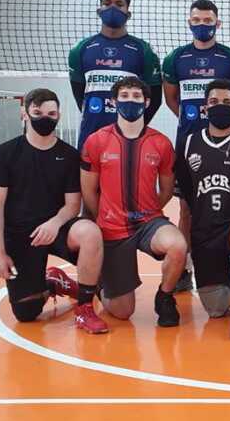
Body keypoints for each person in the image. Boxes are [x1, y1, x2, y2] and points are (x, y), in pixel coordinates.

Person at [0, 88, 108, 333]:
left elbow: (73, 204)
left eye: (51, 113)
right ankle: (52, 282)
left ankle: (84, 308)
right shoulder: (7, 153)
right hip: (21, 234)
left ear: (59, 115)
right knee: (26, 314)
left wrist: (54, 223)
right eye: (38, 112)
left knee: (90, 232)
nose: (45, 118)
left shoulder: (68, 155)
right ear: (25, 114)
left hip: (58, 226)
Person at [80, 76, 187, 326]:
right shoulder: (96, 141)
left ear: (147, 102)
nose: (131, 101)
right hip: (112, 227)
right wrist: (104, 219)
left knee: (178, 245)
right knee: (122, 311)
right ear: (114, 101)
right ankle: (101, 284)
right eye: (125, 96)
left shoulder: (160, 143)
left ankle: (165, 297)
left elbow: (167, 189)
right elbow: (89, 191)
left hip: (149, 222)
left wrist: (150, 209)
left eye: (137, 96)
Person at [163, 0, 230, 293]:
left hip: (225, 145)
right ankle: (184, 269)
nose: (203, 25)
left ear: (218, 23)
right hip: (190, 145)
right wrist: (197, 130)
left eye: (208, 20)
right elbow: (172, 99)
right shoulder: (176, 58)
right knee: (188, 209)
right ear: (189, 23)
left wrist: (222, 126)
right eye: (197, 21)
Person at [175, 79, 230, 339]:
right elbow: (185, 204)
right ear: (205, 108)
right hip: (205, 233)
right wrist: (186, 254)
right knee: (216, 309)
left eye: (227, 103)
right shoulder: (189, 143)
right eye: (214, 102)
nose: (220, 107)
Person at [68, 0, 162, 151]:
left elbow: (154, 99)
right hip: (91, 137)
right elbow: (79, 96)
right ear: (99, 11)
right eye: (107, 3)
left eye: (119, 4)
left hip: (129, 140)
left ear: (128, 13)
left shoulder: (143, 50)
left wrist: (134, 125)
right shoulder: (80, 49)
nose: (113, 8)